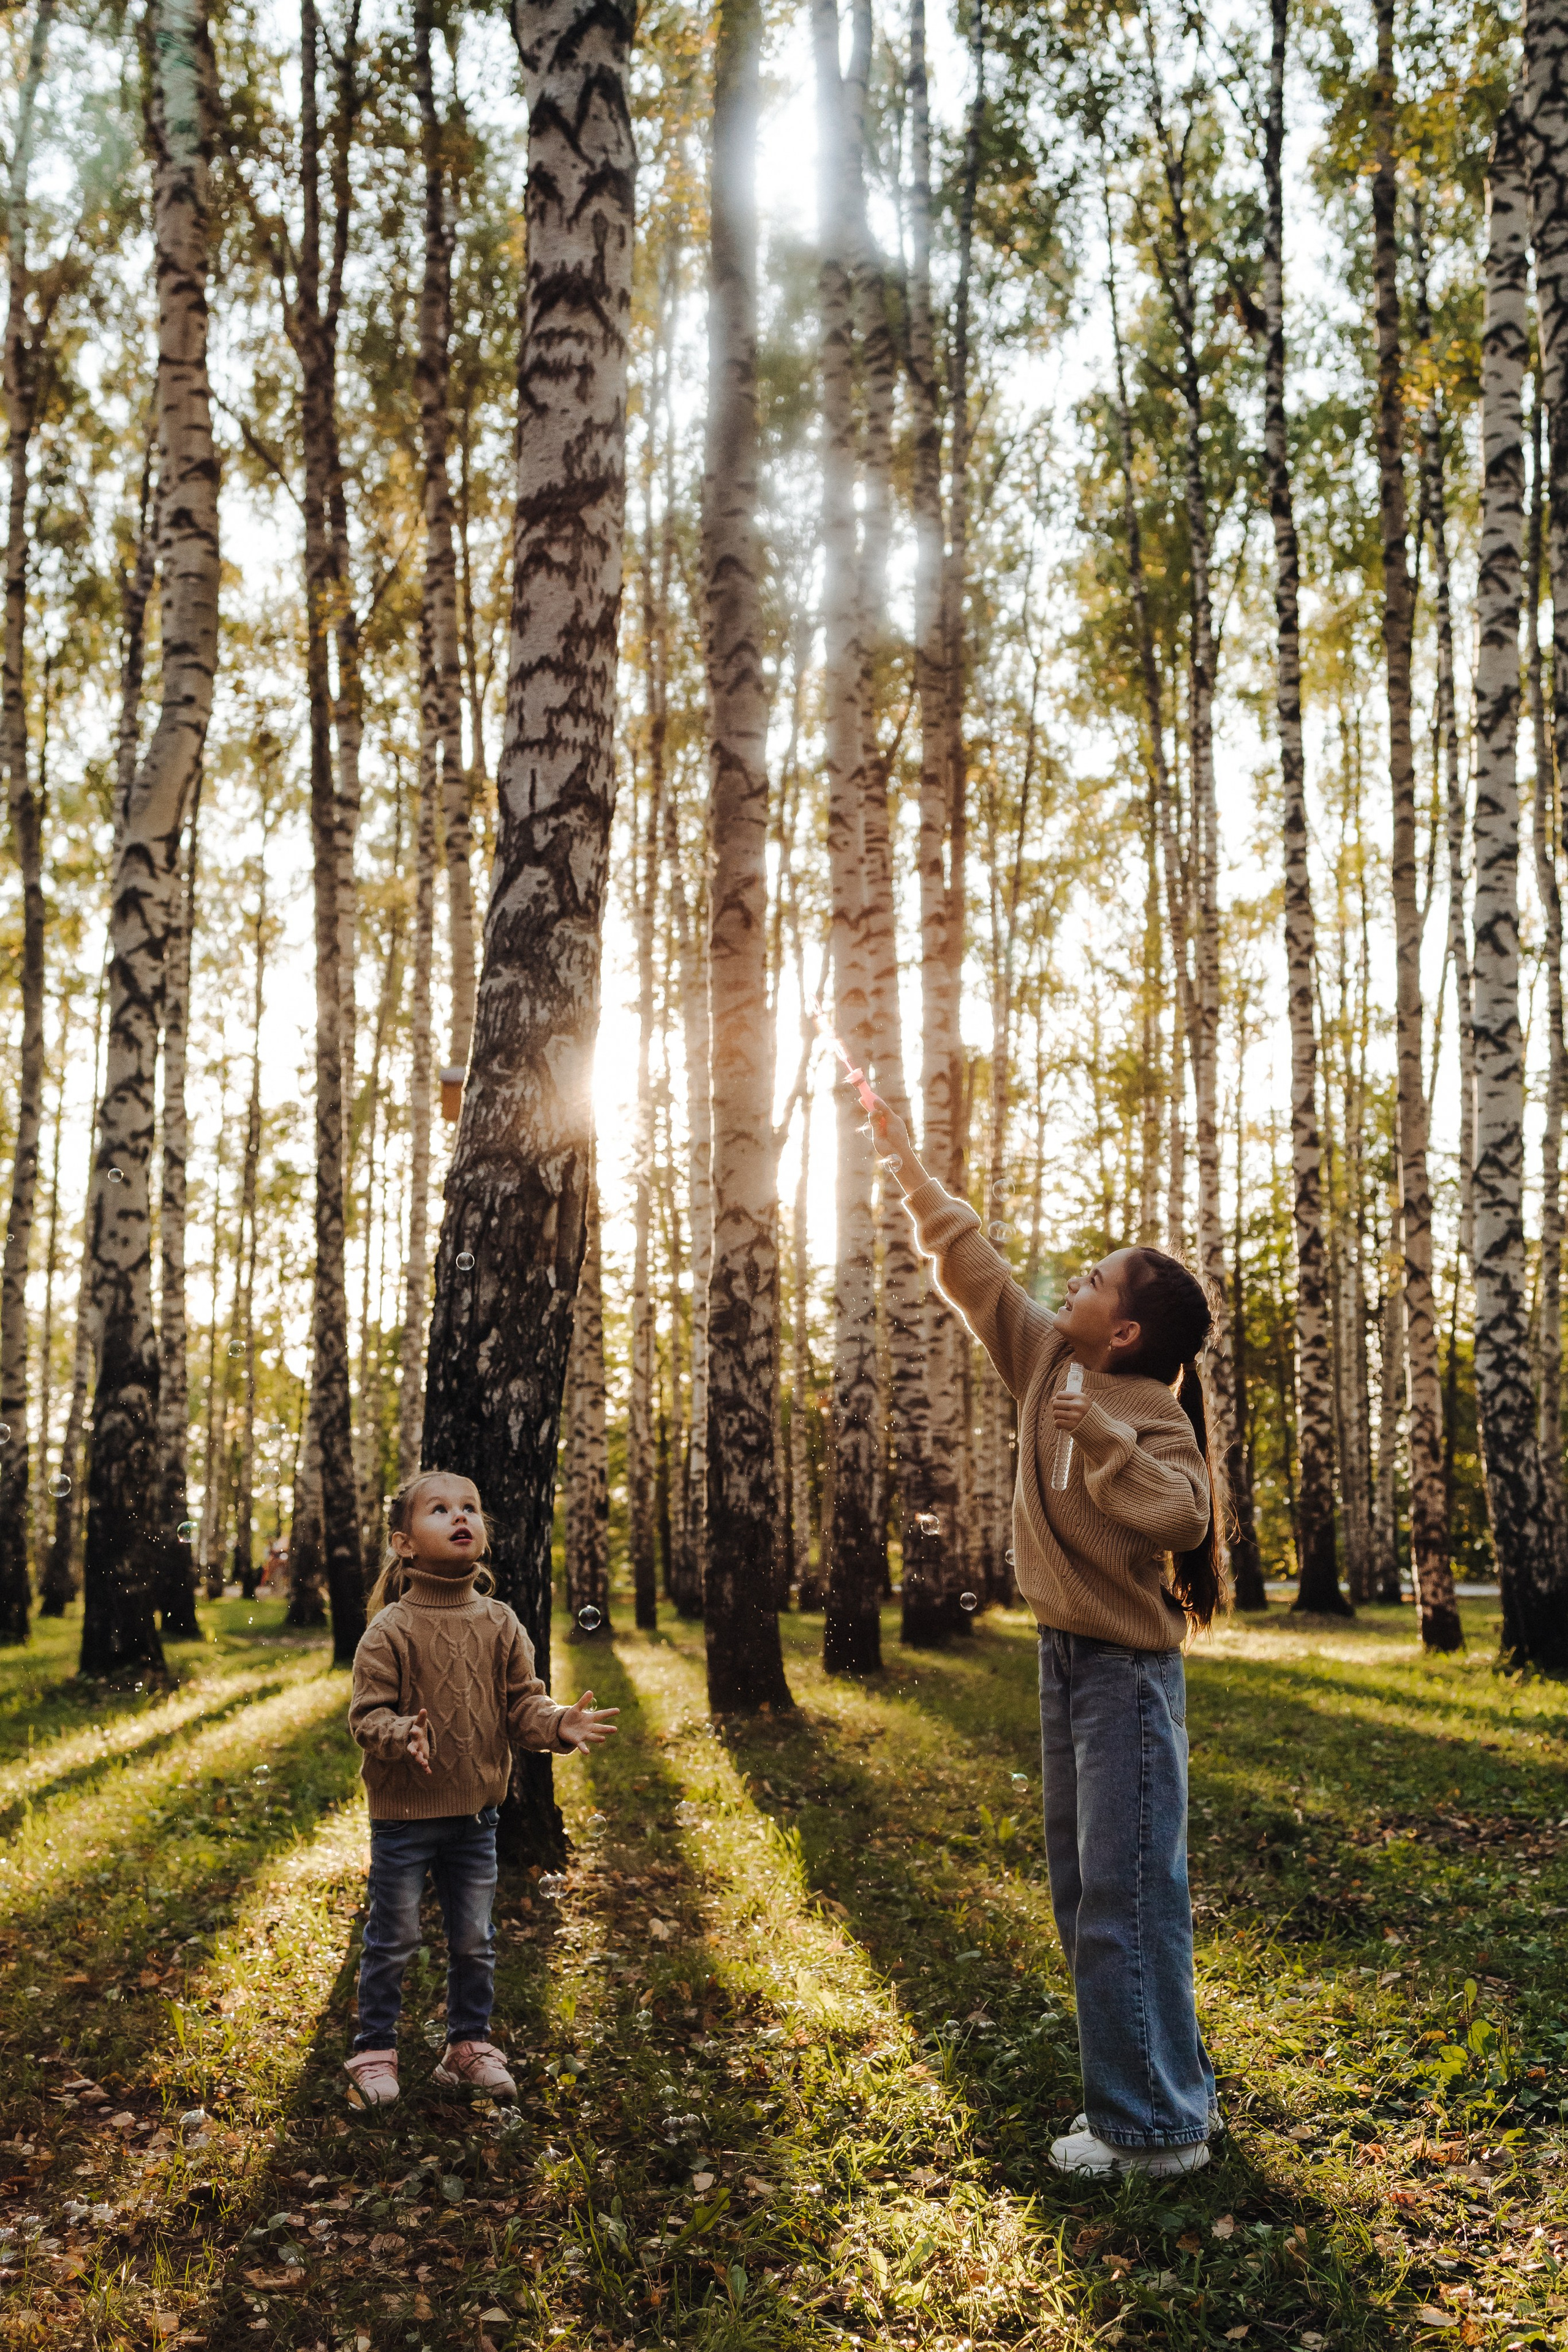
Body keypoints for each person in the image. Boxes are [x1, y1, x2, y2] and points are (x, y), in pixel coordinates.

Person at [867, 1093, 1223, 2179]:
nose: (1072, 1280)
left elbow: (1186, 1516)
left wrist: (1108, 1439)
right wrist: (905, 1161)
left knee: (1126, 1895)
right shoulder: (1044, 1361)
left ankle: (1152, 2134)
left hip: (1127, 1677)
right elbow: (975, 1269)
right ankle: (1166, 2095)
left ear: (1125, 1331)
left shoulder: (1148, 1409)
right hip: (1065, 1663)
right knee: (1086, 1892)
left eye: (1094, 1279)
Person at [345, 1469, 617, 2108]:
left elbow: (523, 1705)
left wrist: (558, 1723)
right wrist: (401, 1734)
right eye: (439, 1509)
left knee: (474, 1940)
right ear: (404, 1544)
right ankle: (373, 2050)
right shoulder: (390, 1629)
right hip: (404, 1817)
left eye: (469, 1506)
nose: (460, 1516)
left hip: (476, 1818)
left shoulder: (500, 1621)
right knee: (393, 1937)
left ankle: (466, 2047)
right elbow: (366, 1716)